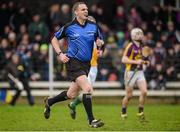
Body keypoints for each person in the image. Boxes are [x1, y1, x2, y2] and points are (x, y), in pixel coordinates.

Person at [43, 2, 104, 128]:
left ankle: (49, 102)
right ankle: (91, 120)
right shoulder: (69, 27)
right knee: (88, 89)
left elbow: (100, 40)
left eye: (86, 9)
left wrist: (100, 45)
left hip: (86, 64)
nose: (86, 11)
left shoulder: (93, 26)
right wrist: (60, 54)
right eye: (83, 9)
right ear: (76, 12)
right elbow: (54, 38)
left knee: (71, 95)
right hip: (73, 62)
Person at [68, 15, 104, 120]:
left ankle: (73, 104)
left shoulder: (96, 35)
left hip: (93, 67)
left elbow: (101, 46)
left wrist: (100, 50)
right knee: (88, 91)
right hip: (83, 67)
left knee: (86, 92)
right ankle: (90, 118)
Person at [121, 28, 149, 121]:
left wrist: (146, 62)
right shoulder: (130, 46)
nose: (140, 35)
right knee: (129, 95)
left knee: (144, 91)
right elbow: (123, 59)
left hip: (140, 72)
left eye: (141, 33)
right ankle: (123, 111)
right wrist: (136, 62)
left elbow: (144, 59)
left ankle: (140, 111)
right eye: (138, 34)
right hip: (130, 72)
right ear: (133, 36)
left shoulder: (143, 46)